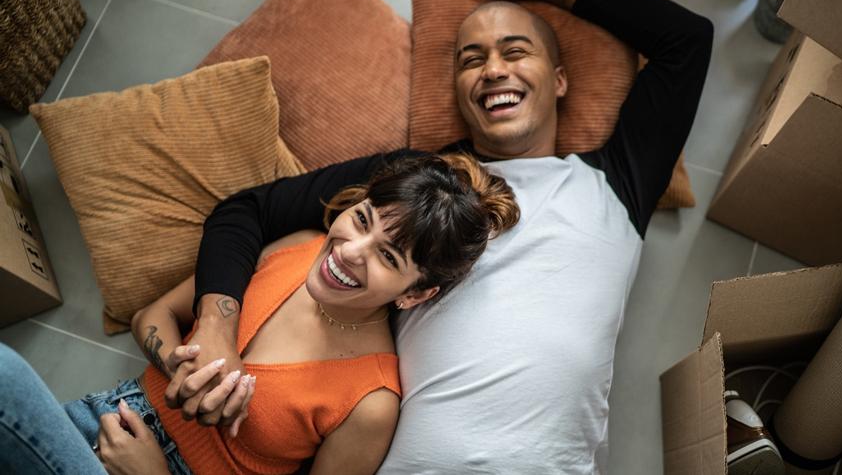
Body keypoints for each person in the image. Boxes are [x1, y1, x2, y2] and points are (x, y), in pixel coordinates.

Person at [171, 0, 714, 472]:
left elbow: (688, 39)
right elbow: (245, 212)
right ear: (459, 92)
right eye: (470, 60)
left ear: (560, 79)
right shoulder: (416, 184)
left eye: (515, 51)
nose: (493, 69)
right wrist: (216, 330)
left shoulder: (615, 183)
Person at [0, 153, 519, 475]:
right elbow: (152, 314)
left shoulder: (371, 403)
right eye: (360, 220)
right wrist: (183, 371)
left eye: (388, 257)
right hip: (98, 420)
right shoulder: (297, 246)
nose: (350, 250)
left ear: (414, 295)